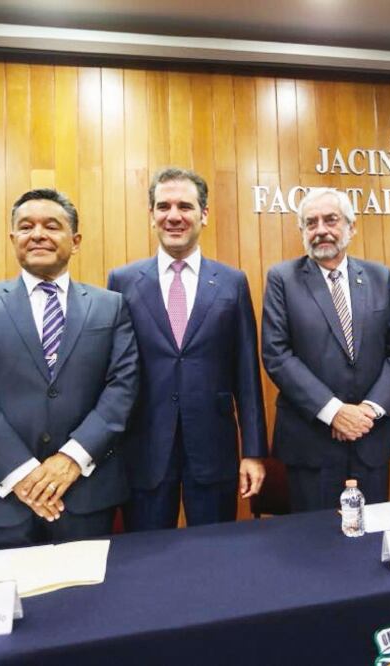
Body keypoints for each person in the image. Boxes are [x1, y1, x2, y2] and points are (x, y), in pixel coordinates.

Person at [0, 189, 138, 550]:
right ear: (13, 239)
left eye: (52, 226)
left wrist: (71, 458)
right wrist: (22, 472)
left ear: (75, 241)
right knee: (7, 602)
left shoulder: (111, 306)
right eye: (26, 227)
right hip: (0, 495)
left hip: (85, 492)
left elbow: (122, 387)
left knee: (88, 602)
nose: (38, 234)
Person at [108, 168, 267, 530]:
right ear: (151, 216)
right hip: (144, 449)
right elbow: (114, 372)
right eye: (163, 206)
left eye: (185, 206)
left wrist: (254, 452)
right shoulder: (123, 281)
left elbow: (246, 372)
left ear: (204, 215)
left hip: (213, 448)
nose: (174, 216)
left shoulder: (232, 282)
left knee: (215, 558)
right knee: (147, 561)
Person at [261, 187, 390, 511]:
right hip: (311, 445)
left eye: (331, 220)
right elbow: (277, 354)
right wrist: (335, 412)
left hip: (370, 440)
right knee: (314, 549)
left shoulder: (380, 277)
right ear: (302, 231)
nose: (321, 230)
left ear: (351, 226)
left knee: (370, 544)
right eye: (310, 223)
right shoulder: (282, 279)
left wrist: (367, 411)